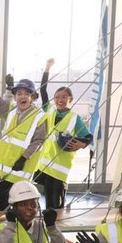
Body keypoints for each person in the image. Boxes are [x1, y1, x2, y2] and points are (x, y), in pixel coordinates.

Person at [35, 58, 92, 210]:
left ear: (70, 99)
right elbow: (42, 89)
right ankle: (48, 226)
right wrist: (47, 67)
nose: (60, 100)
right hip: (46, 165)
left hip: (60, 167)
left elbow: (88, 137)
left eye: (64, 97)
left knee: (55, 202)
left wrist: (81, 144)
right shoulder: (50, 110)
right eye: (57, 97)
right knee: (47, 199)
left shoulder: (75, 118)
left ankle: (56, 227)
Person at [0, 71, 48, 211]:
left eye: (27, 93)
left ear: (32, 97)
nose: (23, 96)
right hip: (3, 168)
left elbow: (38, 141)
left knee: (6, 197)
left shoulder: (39, 117)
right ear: (15, 97)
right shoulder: (11, 111)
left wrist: (24, 158)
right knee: (7, 200)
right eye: (19, 93)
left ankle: (13, 224)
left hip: (20, 169)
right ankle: (9, 225)